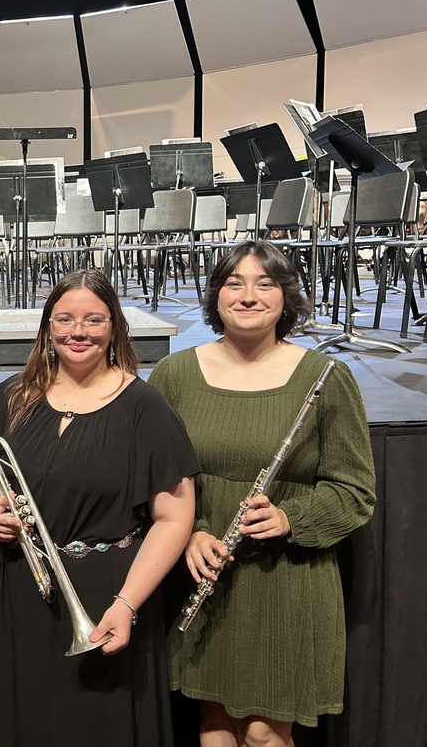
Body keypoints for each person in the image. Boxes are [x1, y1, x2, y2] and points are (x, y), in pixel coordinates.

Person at [148, 240, 376, 747]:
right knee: (215, 729)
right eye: (234, 283)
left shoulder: (326, 378)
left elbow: (354, 491)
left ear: (286, 297)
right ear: (215, 296)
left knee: (263, 736)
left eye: (265, 284)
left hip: (287, 577)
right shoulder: (174, 375)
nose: (248, 296)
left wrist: (291, 518)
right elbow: (154, 481)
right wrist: (190, 534)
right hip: (206, 571)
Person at [0, 268, 199, 746]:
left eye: (94, 319)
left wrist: (127, 604)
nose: (78, 332)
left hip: (110, 591)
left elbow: (175, 517)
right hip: (28, 591)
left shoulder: (143, 406)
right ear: (47, 328)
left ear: (114, 326)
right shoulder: (12, 396)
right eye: (65, 319)